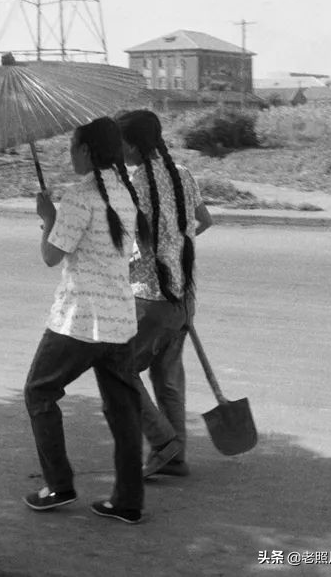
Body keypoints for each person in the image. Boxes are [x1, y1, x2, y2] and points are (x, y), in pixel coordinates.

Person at [24, 116, 150, 524]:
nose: (69, 153)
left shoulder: (80, 196)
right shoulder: (126, 191)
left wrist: (48, 217)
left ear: (87, 151)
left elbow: (50, 256)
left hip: (79, 320)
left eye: (73, 146)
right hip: (119, 319)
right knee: (123, 411)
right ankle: (128, 501)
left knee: (39, 392)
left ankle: (58, 485)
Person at [116, 109, 212, 479]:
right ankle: (176, 457)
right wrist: (173, 246)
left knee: (117, 369)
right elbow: (204, 222)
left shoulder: (131, 183)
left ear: (134, 145)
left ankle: (161, 441)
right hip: (183, 296)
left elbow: (121, 241)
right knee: (167, 378)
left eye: (122, 144)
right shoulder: (183, 175)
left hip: (148, 299)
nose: (119, 151)